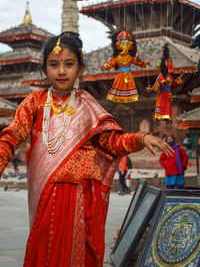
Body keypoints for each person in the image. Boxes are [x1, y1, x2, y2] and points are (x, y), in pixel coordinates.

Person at [0, 31, 173, 267]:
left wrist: (141, 138)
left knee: (78, 253)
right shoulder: (34, 102)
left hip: (81, 197)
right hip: (46, 195)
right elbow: (12, 136)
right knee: (43, 247)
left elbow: (112, 141)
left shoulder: (87, 105)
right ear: (44, 70)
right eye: (54, 65)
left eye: (69, 64)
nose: (61, 71)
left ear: (81, 69)